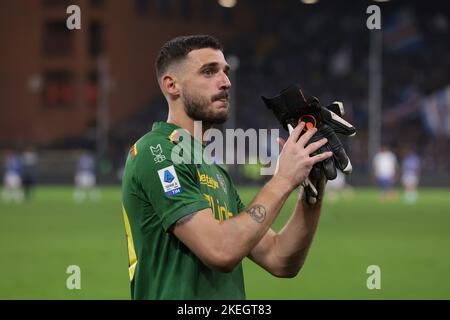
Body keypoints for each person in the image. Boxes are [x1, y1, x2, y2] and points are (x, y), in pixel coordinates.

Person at [121, 35, 333, 300]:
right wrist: (283, 179)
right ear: (172, 85)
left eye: (225, 72)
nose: (225, 82)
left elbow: (280, 258)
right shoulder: (157, 152)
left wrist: (313, 188)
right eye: (209, 72)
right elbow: (220, 251)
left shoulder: (214, 170)